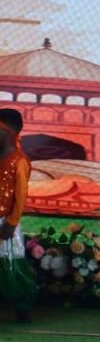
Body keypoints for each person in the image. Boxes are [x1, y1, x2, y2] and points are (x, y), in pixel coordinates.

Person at [0, 109, 37, 323]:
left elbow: (21, 195)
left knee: (13, 264)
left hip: (6, 223)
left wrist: (12, 222)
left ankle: (24, 304)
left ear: (8, 132)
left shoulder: (19, 160)